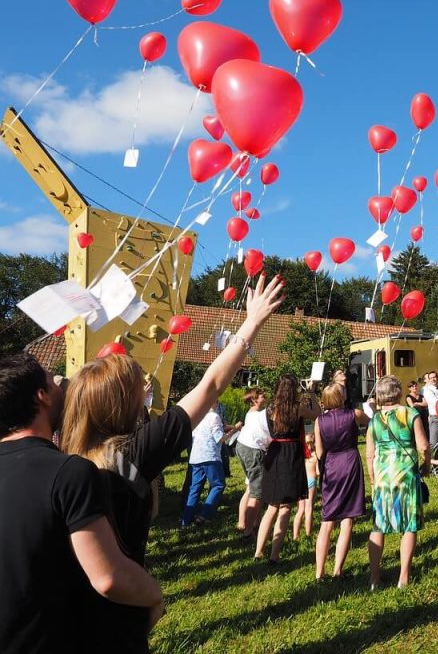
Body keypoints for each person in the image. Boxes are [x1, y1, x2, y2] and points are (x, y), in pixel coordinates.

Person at [61, 274, 283, 652]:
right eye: (138, 389)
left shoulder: (61, 460)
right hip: (119, 621)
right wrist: (252, 323)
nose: (146, 392)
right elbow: (210, 385)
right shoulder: (132, 453)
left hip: (65, 620)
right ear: (121, 406)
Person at [0, 353, 164, 653]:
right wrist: (154, 594)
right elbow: (108, 578)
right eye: (53, 382)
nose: (63, 387)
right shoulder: (69, 473)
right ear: (42, 396)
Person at [366, 375, 429, 589]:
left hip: (383, 475)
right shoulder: (410, 413)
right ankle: (403, 577)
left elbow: (369, 454)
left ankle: (374, 578)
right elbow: (423, 446)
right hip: (406, 475)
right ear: (399, 392)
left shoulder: (374, 419)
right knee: (409, 526)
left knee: (379, 526)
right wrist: (427, 464)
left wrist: (373, 480)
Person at [255, 374, 321, 563]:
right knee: (285, 508)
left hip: (274, 452)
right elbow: (317, 414)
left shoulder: (269, 409)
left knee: (271, 507)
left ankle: (259, 551)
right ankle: (274, 555)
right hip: (291, 453)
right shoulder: (297, 408)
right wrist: (311, 392)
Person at [314, 383, 365, 580]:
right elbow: (372, 421)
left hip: (331, 466)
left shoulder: (319, 421)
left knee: (327, 521)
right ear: (340, 397)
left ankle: (320, 572)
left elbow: (319, 452)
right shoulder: (354, 414)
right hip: (350, 462)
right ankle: (337, 571)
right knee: (347, 519)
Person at [180, 404, 226, 527]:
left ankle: (186, 519)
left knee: (195, 488)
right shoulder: (214, 416)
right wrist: (235, 430)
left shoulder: (197, 417)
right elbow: (219, 438)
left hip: (195, 457)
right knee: (218, 484)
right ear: (214, 404)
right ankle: (204, 514)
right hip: (210, 455)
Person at [234, 390, 270, 540]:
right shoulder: (258, 415)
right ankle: (249, 532)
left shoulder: (251, 413)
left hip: (241, 446)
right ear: (254, 401)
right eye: (261, 395)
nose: (264, 396)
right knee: (257, 493)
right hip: (253, 451)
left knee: (250, 487)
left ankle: (244, 522)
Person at [292, 432, 318, 540]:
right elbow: (318, 472)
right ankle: (308, 534)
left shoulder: (301, 455)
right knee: (309, 508)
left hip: (301, 481)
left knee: (300, 510)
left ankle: (295, 535)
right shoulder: (315, 456)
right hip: (311, 482)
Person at [422, 371, 438, 457]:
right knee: (433, 443)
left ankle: (436, 466)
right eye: (431, 378)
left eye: (435, 377)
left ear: (437, 378)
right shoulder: (428, 390)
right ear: (428, 380)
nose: (433, 379)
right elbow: (437, 402)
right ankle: (427, 463)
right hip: (435, 418)